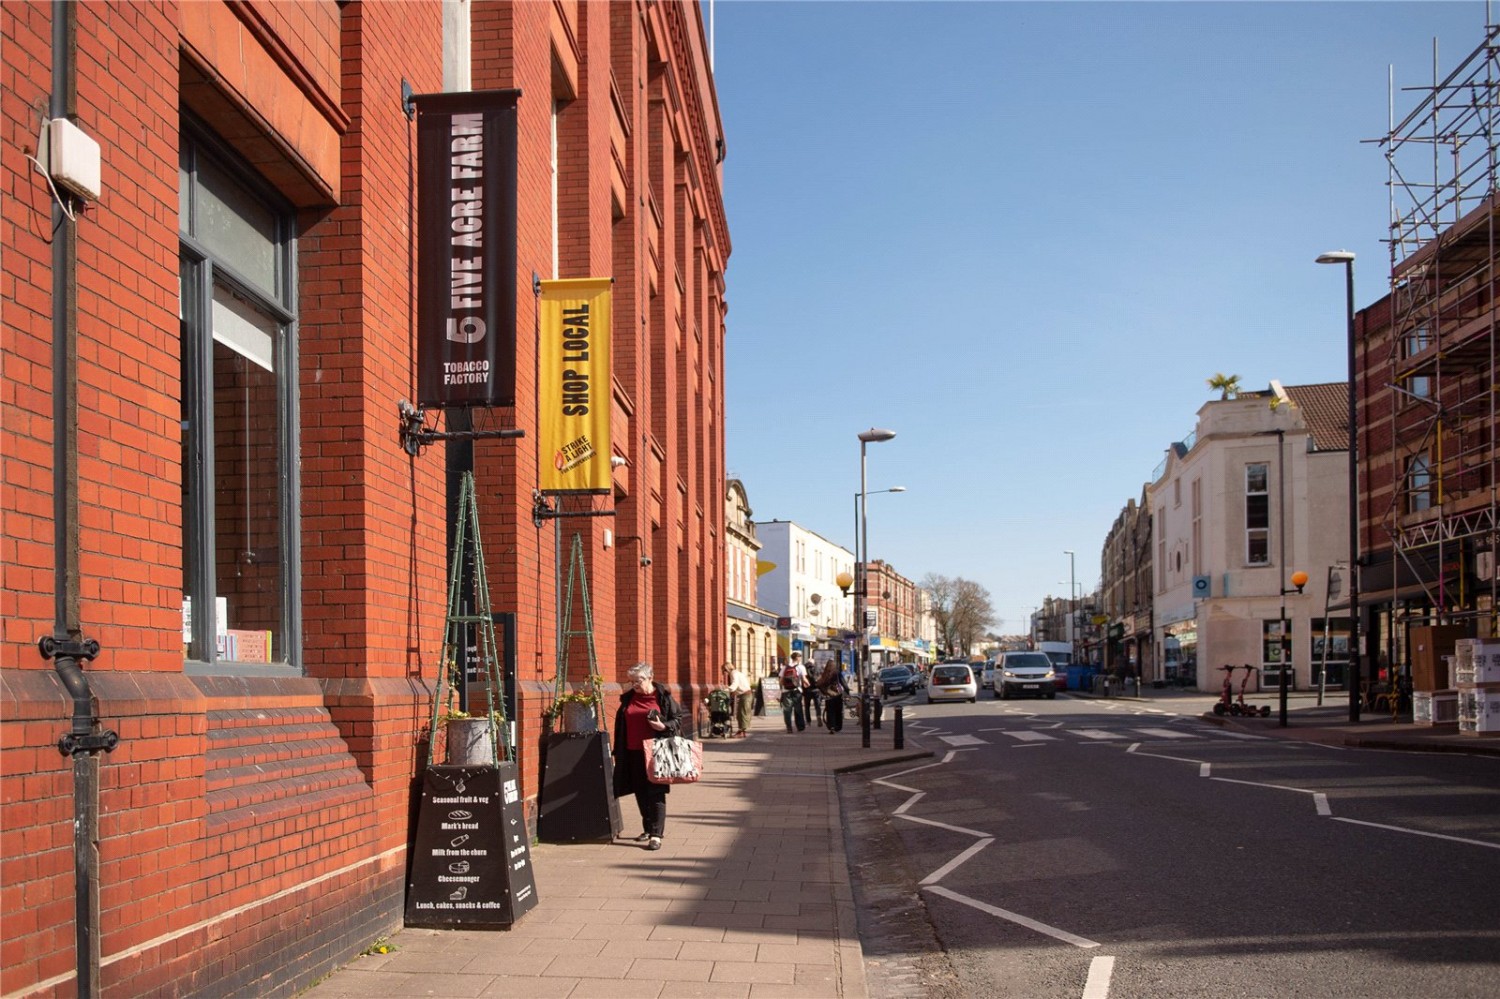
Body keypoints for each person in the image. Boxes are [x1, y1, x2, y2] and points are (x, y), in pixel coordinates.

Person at [611, 662, 681, 851]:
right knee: (640, 791)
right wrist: (618, 750)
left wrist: (663, 726)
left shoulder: (663, 697)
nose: (634, 684)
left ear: (650, 677)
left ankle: (656, 835)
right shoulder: (628, 698)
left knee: (656, 792)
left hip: (657, 751)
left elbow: (677, 719)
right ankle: (648, 828)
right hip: (632, 752)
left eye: (638, 680)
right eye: (631, 681)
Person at [723, 662, 753, 738]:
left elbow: (735, 683)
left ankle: (742, 731)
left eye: (724, 671)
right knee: (741, 713)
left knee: (742, 713)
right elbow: (741, 685)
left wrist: (727, 689)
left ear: (727, 669)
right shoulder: (737, 672)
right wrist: (734, 692)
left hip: (745, 695)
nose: (724, 673)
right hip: (746, 694)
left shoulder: (733, 673)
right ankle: (742, 731)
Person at [816, 659, 847, 733]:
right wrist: (847, 691)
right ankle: (838, 726)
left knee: (830, 711)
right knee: (838, 711)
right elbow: (843, 683)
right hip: (837, 694)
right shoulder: (837, 673)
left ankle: (831, 726)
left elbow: (819, 683)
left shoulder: (825, 673)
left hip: (828, 695)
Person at [780, 653, 808, 733]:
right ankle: (800, 726)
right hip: (797, 691)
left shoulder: (785, 667)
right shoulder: (801, 667)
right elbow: (804, 679)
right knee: (798, 709)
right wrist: (808, 684)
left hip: (786, 691)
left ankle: (789, 727)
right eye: (800, 657)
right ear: (797, 658)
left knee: (787, 710)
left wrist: (784, 687)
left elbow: (781, 680)